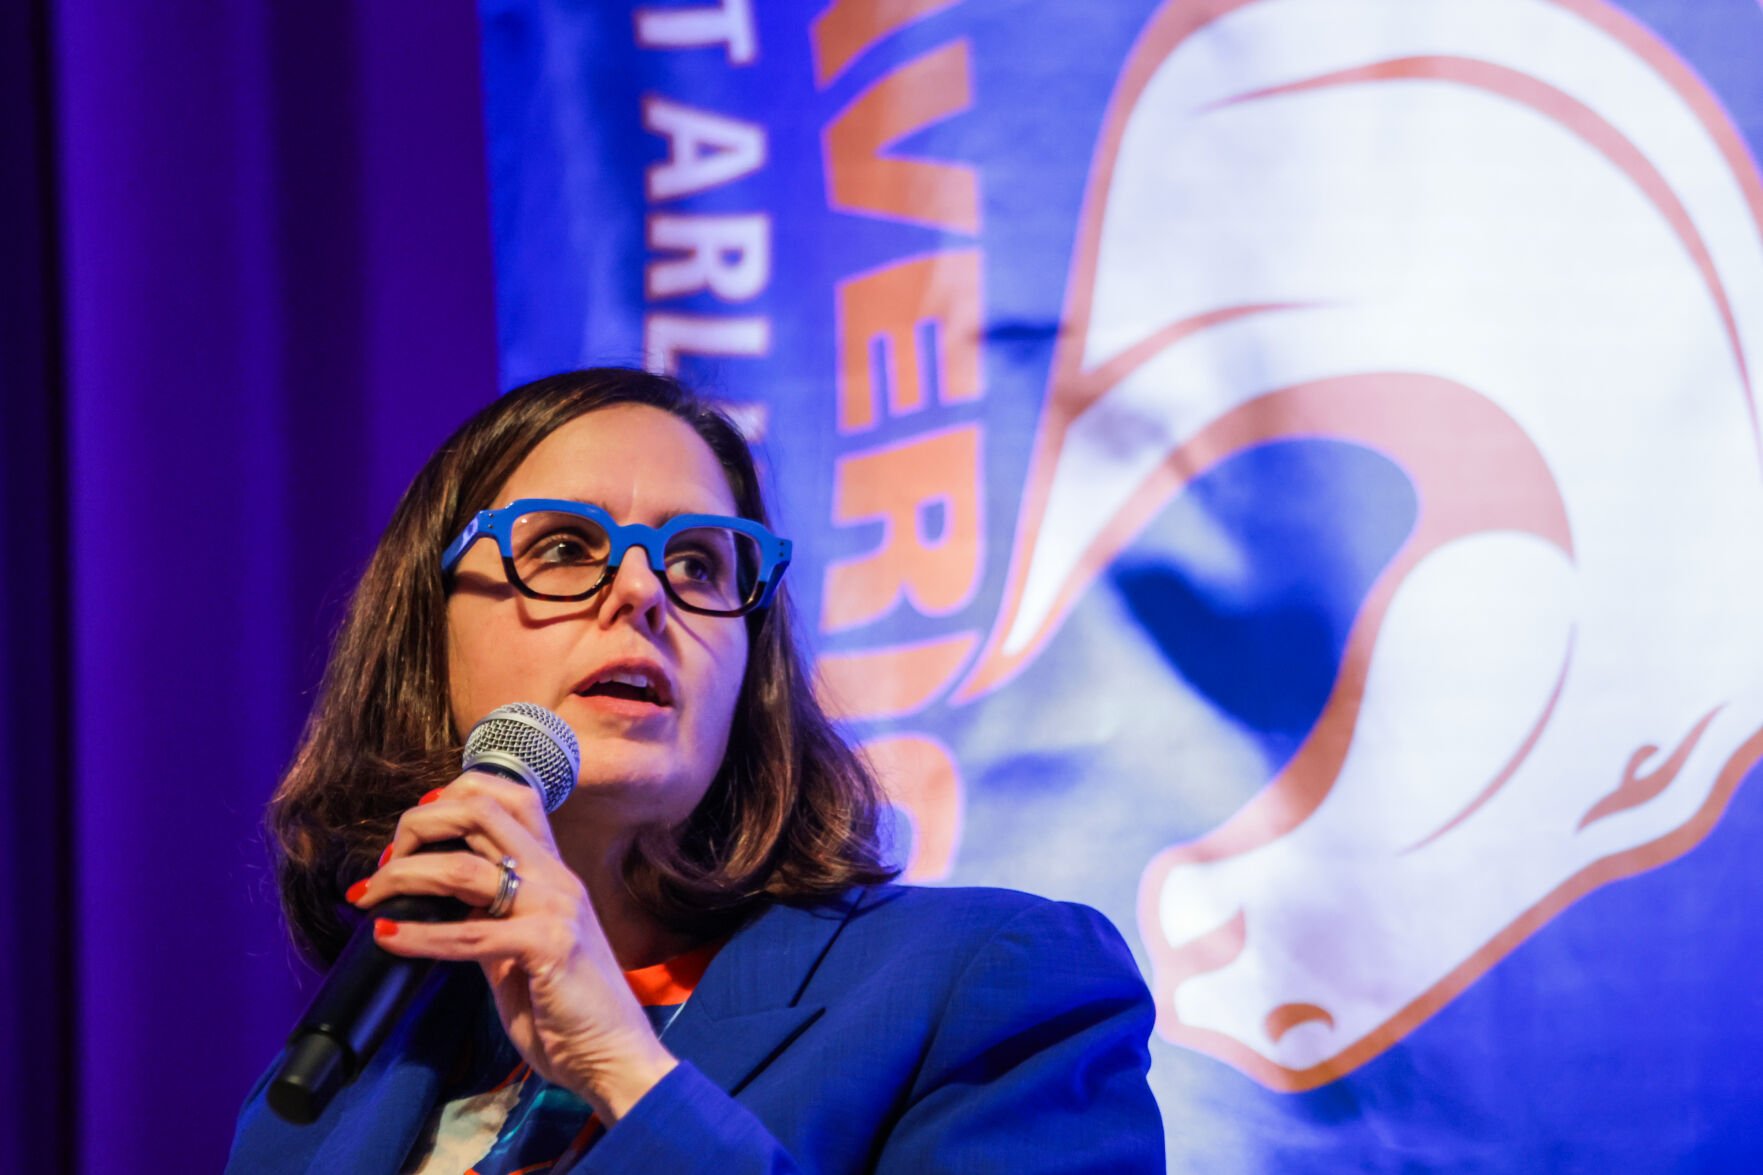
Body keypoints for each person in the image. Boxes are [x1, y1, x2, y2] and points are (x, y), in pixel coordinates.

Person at [227, 367, 1164, 1172]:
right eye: (561, 548)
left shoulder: (987, 984)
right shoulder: (324, 1087)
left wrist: (623, 1067)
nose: (641, 591)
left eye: (697, 563)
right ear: (424, 635)